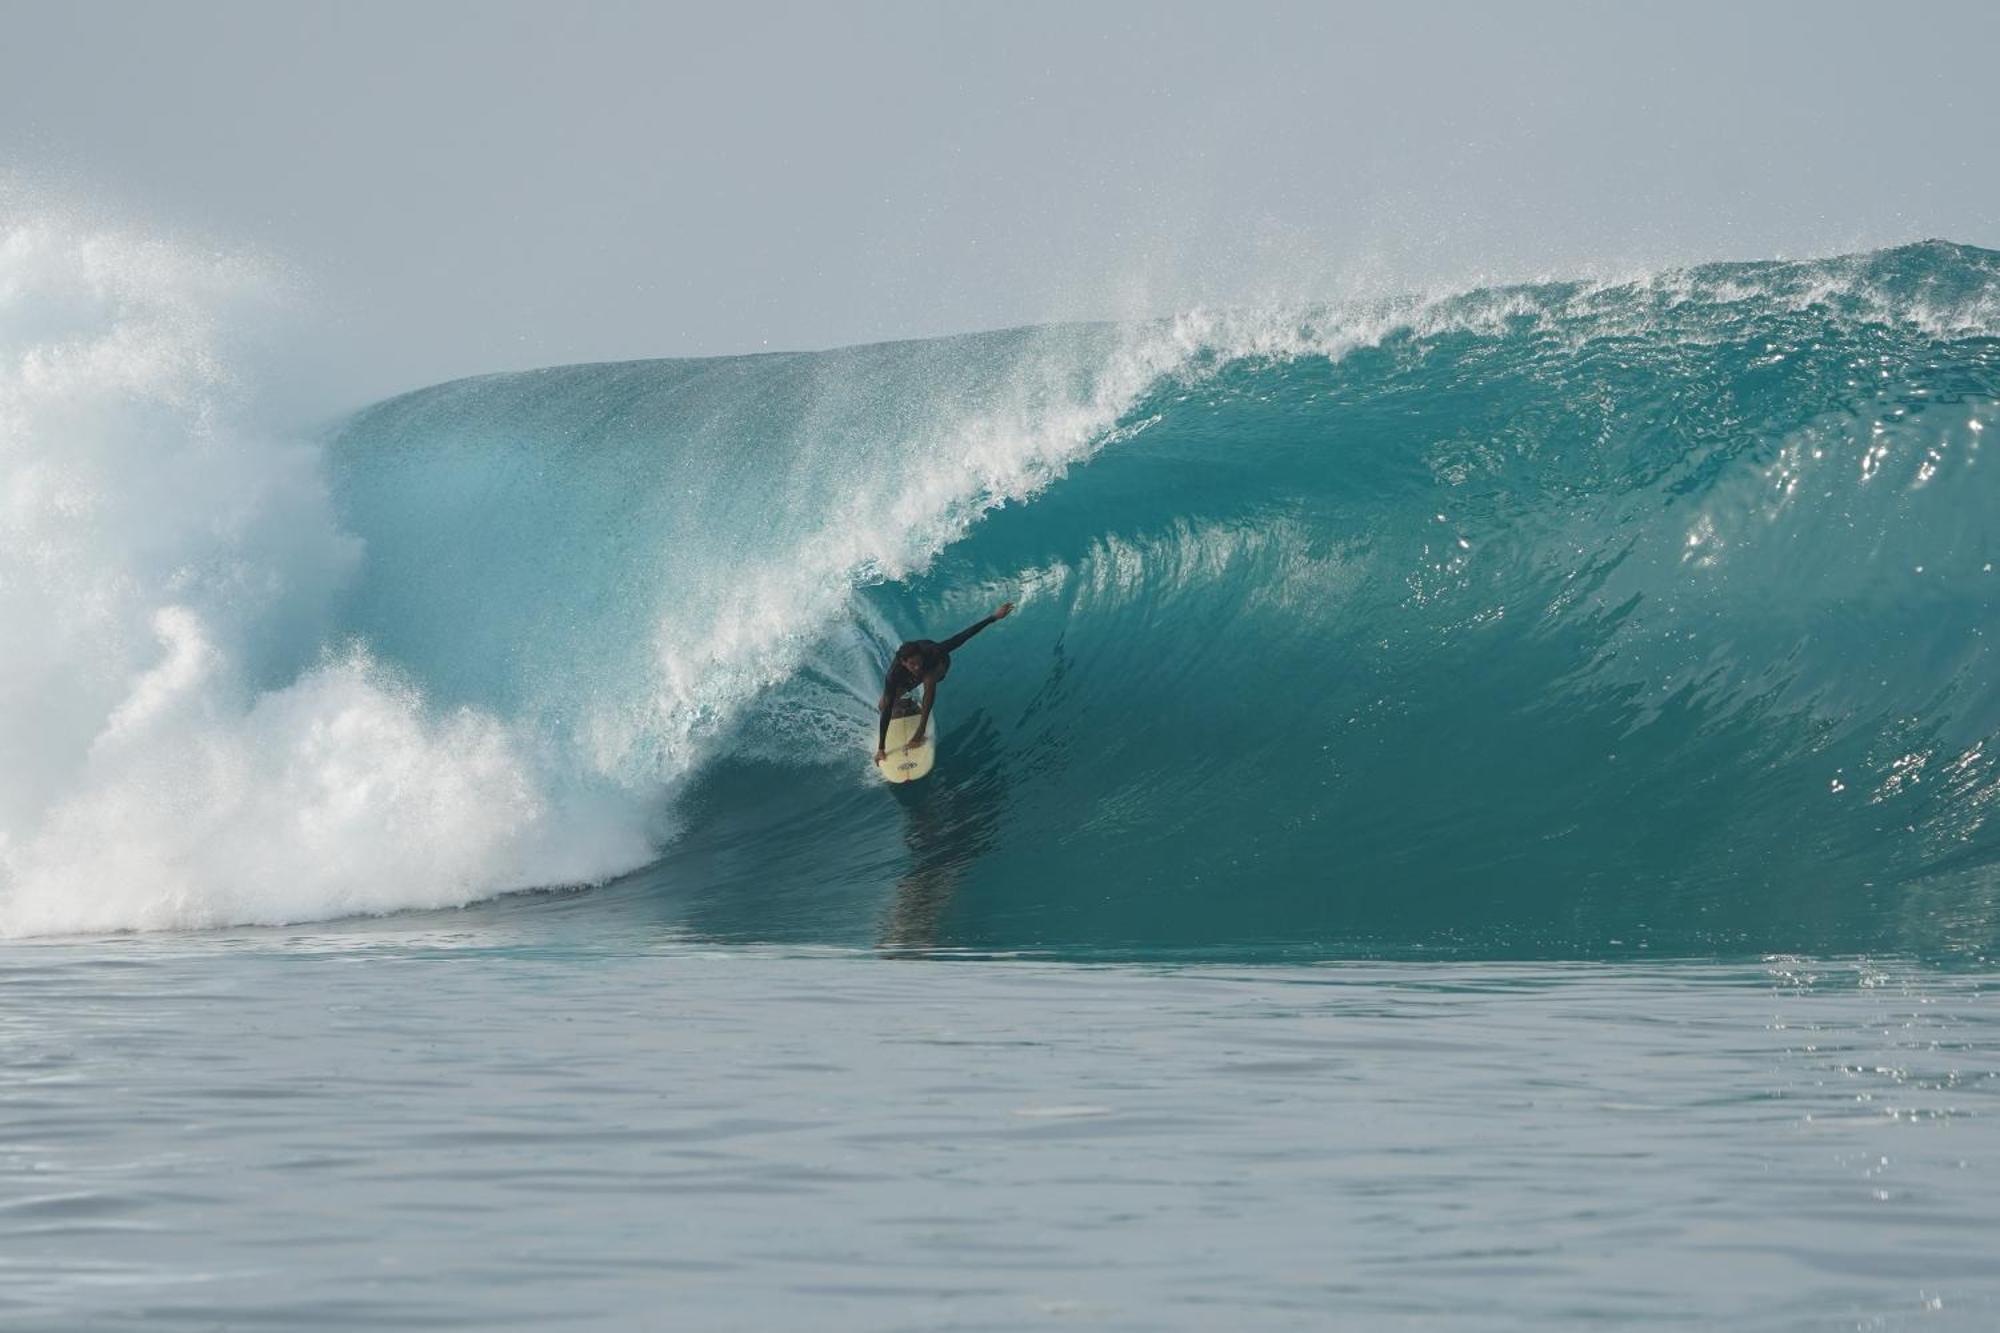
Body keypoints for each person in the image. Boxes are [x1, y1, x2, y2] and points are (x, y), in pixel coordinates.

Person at [876, 601, 1014, 764]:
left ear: (921, 656)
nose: (916, 666)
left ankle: (920, 732)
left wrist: (994, 617)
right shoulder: (894, 674)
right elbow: (885, 711)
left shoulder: (933, 652)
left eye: (918, 662)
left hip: (939, 665)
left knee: (928, 679)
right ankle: (906, 704)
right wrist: (881, 748)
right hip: (912, 670)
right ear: (903, 663)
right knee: (884, 704)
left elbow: (962, 637)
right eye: (912, 664)